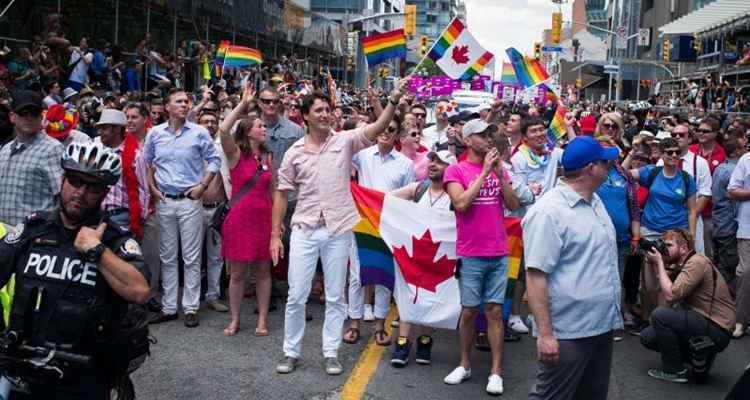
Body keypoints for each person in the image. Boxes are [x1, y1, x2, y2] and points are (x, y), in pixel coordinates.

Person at [272, 79, 409, 376]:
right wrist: (275, 235)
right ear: (306, 115)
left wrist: (393, 101)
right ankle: (290, 351)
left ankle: (330, 352)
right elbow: (282, 192)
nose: (325, 114)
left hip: (338, 230)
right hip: (304, 230)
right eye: (319, 110)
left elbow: (375, 129)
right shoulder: (295, 151)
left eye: (328, 110)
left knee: (336, 296)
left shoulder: (345, 140)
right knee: (296, 295)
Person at [0, 140, 149, 399]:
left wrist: (97, 250)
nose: (80, 192)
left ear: (104, 193)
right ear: (62, 181)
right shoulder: (33, 228)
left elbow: (139, 291)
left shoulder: (115, 240)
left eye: (92, 187)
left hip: (83, 378)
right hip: (22, 371)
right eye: (74, 181)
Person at [524, 136, 622, 400]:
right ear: (591, 168)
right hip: (568, 331)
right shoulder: (548, 212)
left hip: (600, 325)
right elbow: (535, 276)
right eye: (605, 162)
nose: (610, 166)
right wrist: (545, 334)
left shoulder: (595, 200)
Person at [442, 119, 520, 395]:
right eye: (482, 134)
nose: (489, 138)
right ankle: (464, 364)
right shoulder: (456, 169)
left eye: (490, 133)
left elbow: (513, 205)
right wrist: (484, 172)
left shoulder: (500, 170)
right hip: (471, 252)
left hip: (498, 251)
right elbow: (461, 203)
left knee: (495, 312)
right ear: (467, 140)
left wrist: (498, 175)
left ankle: (496, 372)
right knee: (469, 311)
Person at [144, 89, 221, 328]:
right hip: (165, 200)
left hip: (190, 200)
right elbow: (148, 163)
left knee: (191, 256)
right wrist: (153, 189)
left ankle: (190, 307)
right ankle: (169, 306)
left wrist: (203, 185)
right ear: (167, 106)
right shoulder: (155, 134)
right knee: (167, 256)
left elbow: (215, 160)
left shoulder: (199, 133)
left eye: (187, 101)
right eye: (178, 101)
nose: (185, 105)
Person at [345, 114, 415, 347]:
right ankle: (354, 322)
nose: (385, 132)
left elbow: (409, 199)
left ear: (396, 134)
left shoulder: (405, 164)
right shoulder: (362, 156)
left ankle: (379, 325)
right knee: (357, 275)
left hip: (389, 226)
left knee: (385, 276)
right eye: (382, 128)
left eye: (391, 129)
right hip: (362, 223)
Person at [389, 150, 456, 367]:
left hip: (439, 258)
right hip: (414, 254)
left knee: (430, 299)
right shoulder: (419, 189)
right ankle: (402, 341)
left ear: (451, 169)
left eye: (440, 162)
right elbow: (386, 199)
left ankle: (425, 340)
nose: (433, 165)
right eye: (432, 160)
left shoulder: (456, 196)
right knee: (409, 296)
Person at [640, 230, 735, 383]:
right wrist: (650, 262)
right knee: (648, 336)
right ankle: (699, 356)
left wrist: (659, 262)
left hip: (718, 328)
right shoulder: (679, 266)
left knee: (659, 316)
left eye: (669, 245)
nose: (665, 248)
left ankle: (675, 370)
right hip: (704, 323)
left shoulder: (697, 262)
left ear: (684, 248)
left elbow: (671, 295)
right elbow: (653, 287)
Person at [218, 86, 274, 336]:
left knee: (263, 271)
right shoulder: (235, 154)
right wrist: (242, 105)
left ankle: (262, 319)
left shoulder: (267, 158)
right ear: (247, 131)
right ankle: (235, 319)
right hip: (239, 219)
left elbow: (273, 192)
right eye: (259, 126)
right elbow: (222, 130)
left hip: (263, 218)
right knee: (238, 273)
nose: (264, 129)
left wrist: (277, 223)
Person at [0, 90, 64, 226]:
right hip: (4, 237)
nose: (29, 117)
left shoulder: (52, 149)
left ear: (41, 117)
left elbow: (62, 197)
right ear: (12, 117)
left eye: (34, 113)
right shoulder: (5, 150)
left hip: (33, 238)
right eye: (23, 113)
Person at [197, 109, 230, 314]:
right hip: (194, 208)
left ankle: (212, 295)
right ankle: (190, 300)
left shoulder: (223, 148)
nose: (209, 124)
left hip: (218, 209)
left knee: (216, 256)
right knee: (192, 256)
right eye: (205, 121)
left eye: (213, 121)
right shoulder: (191, 146)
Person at [690, 117, 726, 259]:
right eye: (699, 130)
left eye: (706, 131)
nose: (701, 133)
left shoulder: (722, 153)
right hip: (690, 206)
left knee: (708, 251)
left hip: (712, 210)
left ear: (716, 133)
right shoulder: (691, 150)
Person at [711, 139, 743, 284]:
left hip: (719, 223)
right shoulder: (733, 171)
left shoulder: (720, 168)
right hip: (729, 225)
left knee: (720, 264)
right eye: (743, 147)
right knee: (728, 267)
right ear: (736, 151)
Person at [511, 116, 564, 200]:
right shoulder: (518, 158)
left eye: (541, 130)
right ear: (524, 137)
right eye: (533, 131)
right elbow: (520, 194)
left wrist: (569, 127)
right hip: (530, 210)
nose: (539, 134)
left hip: (553, 208)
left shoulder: (553, 152)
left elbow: (574, 157)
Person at [728, 148, 750, 338]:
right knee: (745, 272)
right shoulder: (746, 159)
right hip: (748, 228)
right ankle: (740, 320)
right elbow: (732, 191)